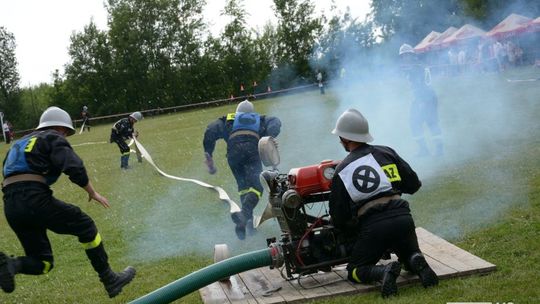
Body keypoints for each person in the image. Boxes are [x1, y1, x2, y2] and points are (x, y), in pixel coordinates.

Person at [0, 106, 136, 298]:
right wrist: (92, 192)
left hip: (11, 205)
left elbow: (9, 173)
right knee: (86, 226)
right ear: (61, 128)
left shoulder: (18, 144)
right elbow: (74, 167)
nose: (64, 136)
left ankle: (11, 265)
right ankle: (110, 279)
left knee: (43, 263)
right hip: (34, 197)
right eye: (65, 133)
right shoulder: (52, 137)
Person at [328, 108, 438, 298]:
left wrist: (353, 228)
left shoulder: (343, 169)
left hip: (374, 227)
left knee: (355, 269)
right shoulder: (387, 152)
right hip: (403, 218)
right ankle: (416, 260)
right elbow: (414, 185)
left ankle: (383, 272)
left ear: (345, 139)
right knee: (408, 256)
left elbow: (339, 218)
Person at [203, 99, 281, 240]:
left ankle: (248, 225)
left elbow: (210, 130)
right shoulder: (260, 119)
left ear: (237, 113)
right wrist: (270, 135)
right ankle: (244, 216)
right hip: (252, 150)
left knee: (244, 187)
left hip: (233, 153)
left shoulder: (228, 120)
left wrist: (208, 153)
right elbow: (275, 121)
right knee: (257, 187)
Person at [399, 43, 443, 157]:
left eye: (406, 55)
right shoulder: (415, 66)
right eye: (403, 56)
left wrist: (421, 102)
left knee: (429, 123)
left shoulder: (415, 68)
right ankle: (426, 150)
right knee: (417, 123)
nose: (404, 58)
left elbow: (421, 86)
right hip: (422, 98)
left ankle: (437, 149)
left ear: (411, 55)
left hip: (424, 97)